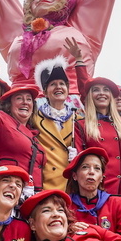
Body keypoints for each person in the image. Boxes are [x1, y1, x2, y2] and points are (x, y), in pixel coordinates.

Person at [0, 56, 45, 192]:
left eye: (29, 99)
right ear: (9, 105)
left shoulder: (34, 135)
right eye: (19, 98)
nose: (25, 102)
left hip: (29, 194)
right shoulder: (1, 119)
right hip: (3, 189)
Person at [74, 76, 121, 196]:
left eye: (106, 89)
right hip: (98, 190)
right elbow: (81, 162)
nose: (101, 93)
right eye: (96, 90)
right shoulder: (81, 125)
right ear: (89, 96)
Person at [63, 147, 121, 236]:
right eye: (85, 167)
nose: (91, 172)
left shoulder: (116, 203)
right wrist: (68, 229)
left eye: (97, 168)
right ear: (75, 176)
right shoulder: (65, 205)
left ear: (101, 177)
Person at [33, 55, 78, 190]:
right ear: (45, 92)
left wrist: (79, 155)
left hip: (71, 186)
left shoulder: (78, 119)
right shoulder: (34, 119)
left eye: (62, 84)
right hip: (46, 184)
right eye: (53, 84)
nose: (58, 87)